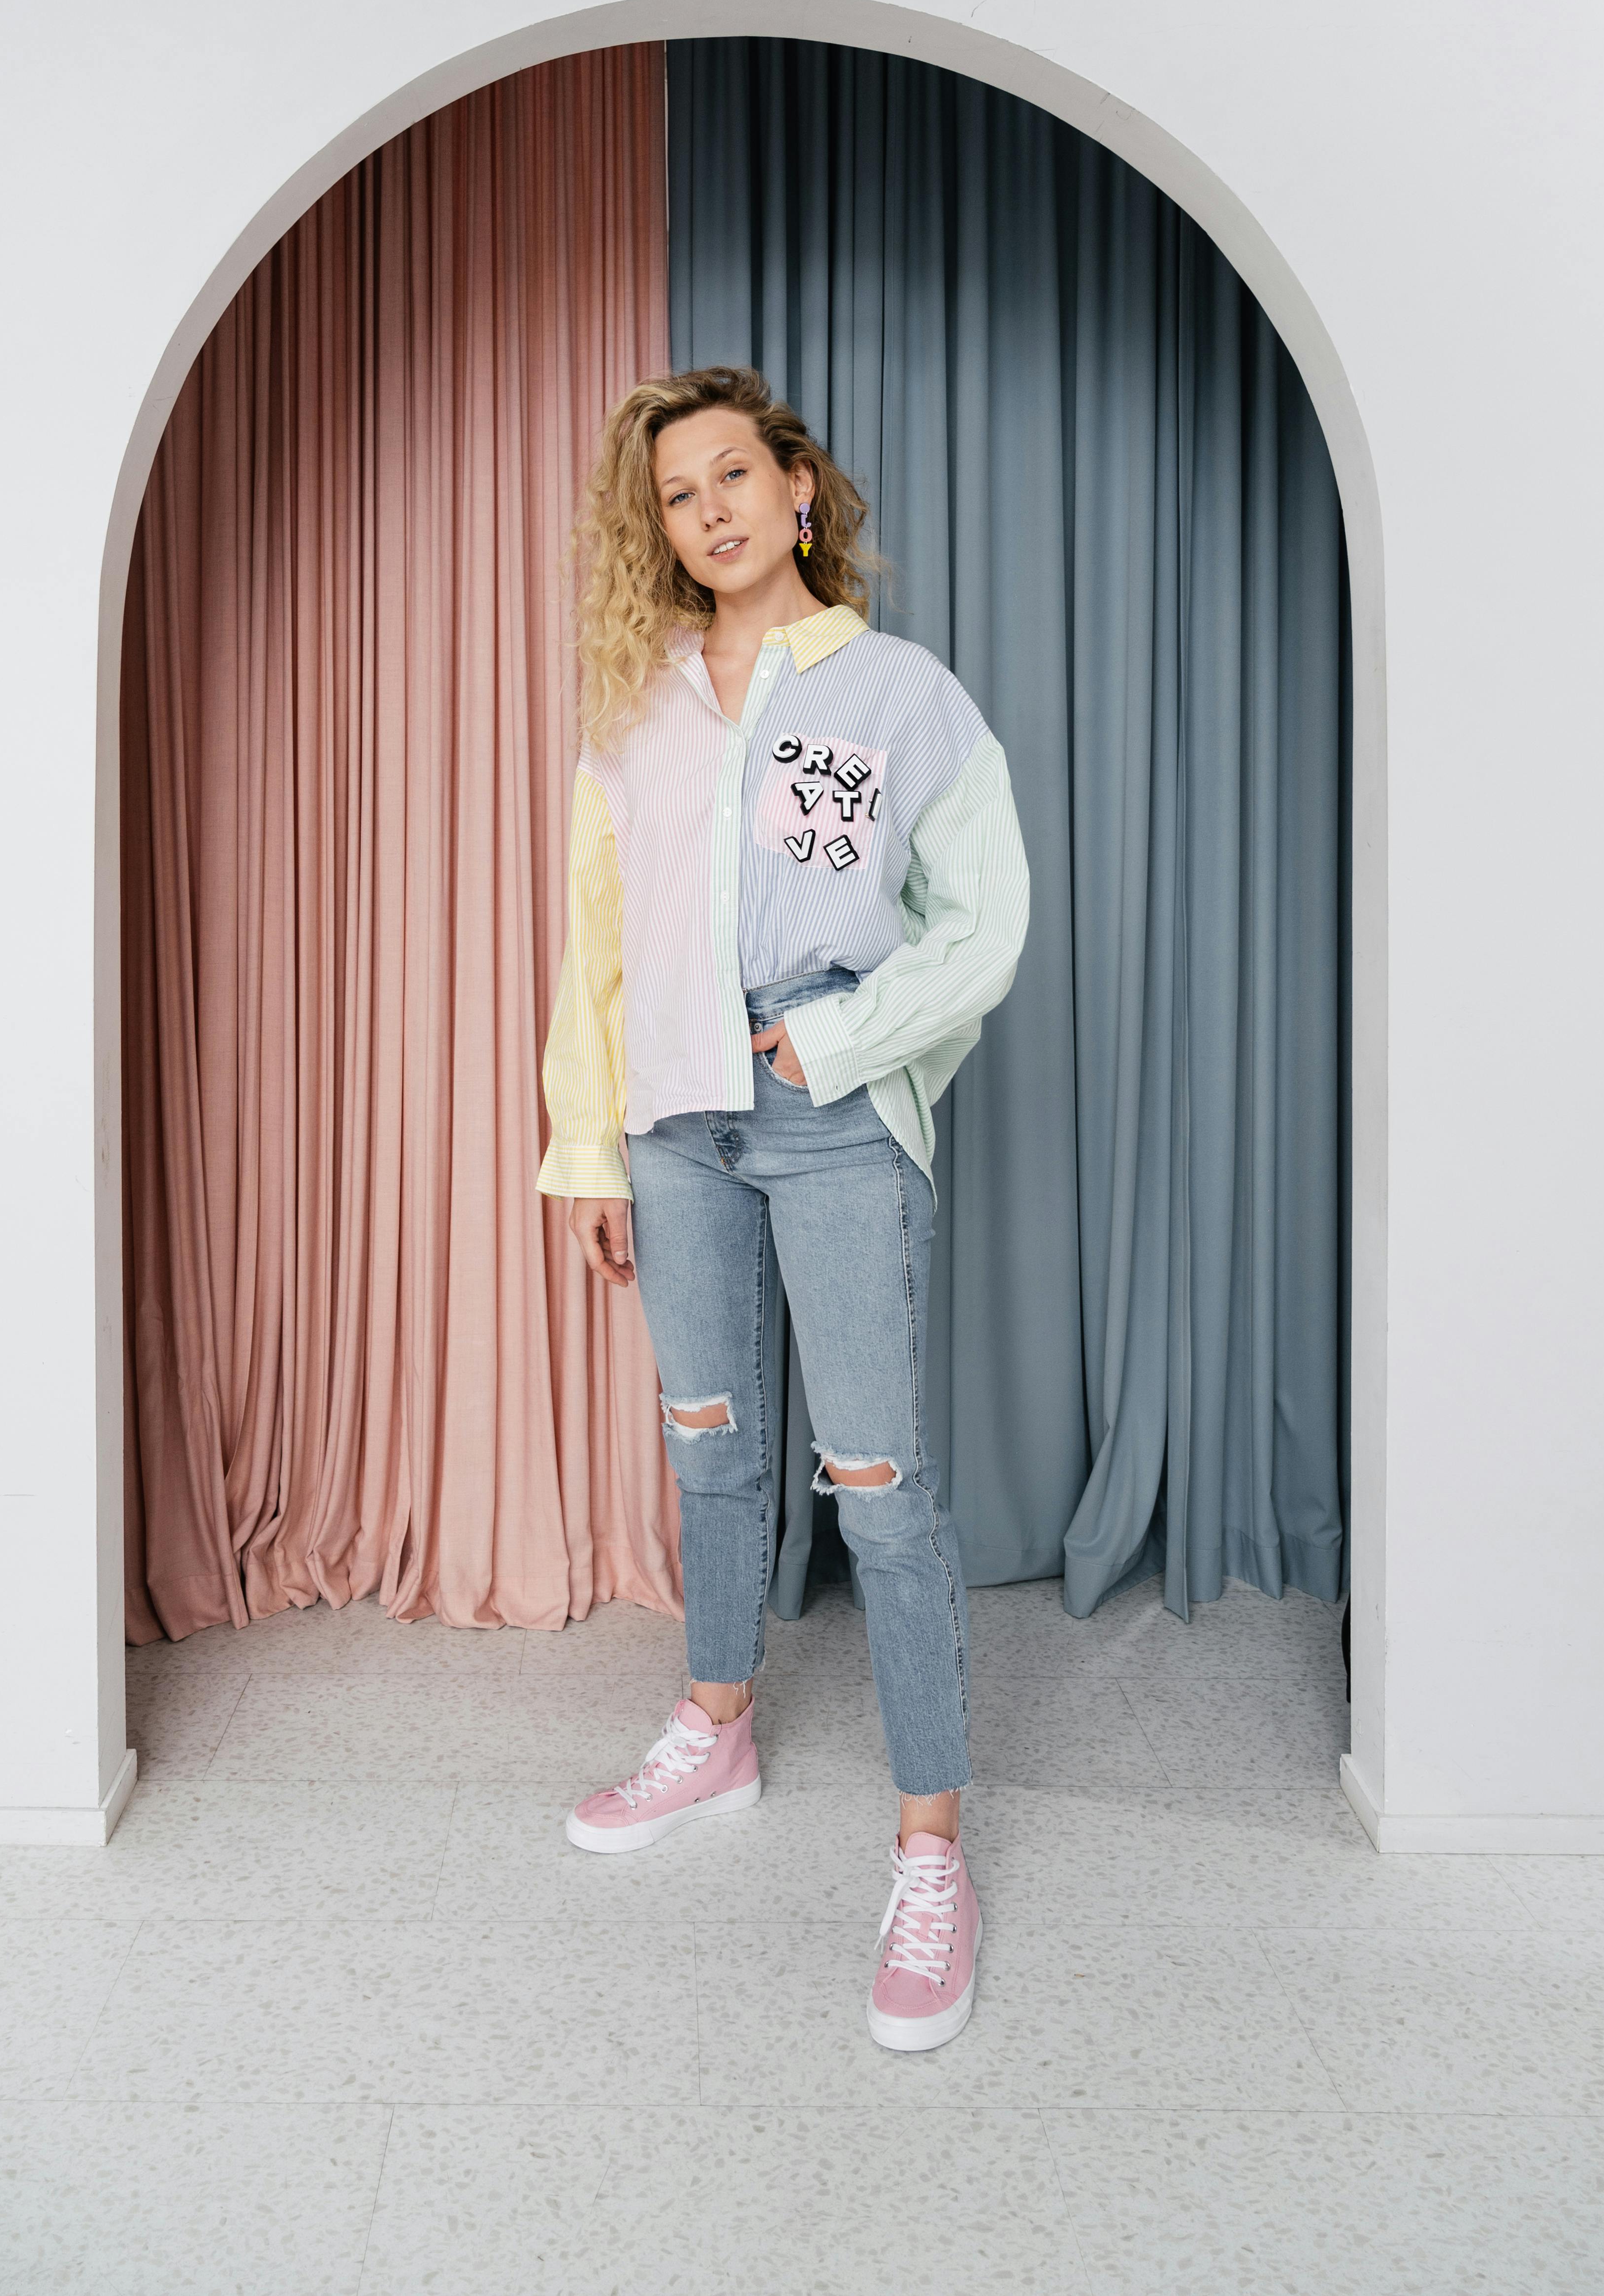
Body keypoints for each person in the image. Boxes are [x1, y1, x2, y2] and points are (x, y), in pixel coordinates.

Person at [536, 364, 1030, 2052]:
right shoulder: (636, 709)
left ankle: (929, 1849)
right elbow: (593, 954)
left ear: (795, 486)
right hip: (677, 1133)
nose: (713, 512)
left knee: (881, 1491)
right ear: (660, 529)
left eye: (735, 475)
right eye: (679, 496)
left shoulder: (899, 694)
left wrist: (831, 1035)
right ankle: (717, 1723)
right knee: (714, 1450)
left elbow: (984, 925)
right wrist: (592, 1148)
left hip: (831, 1129)